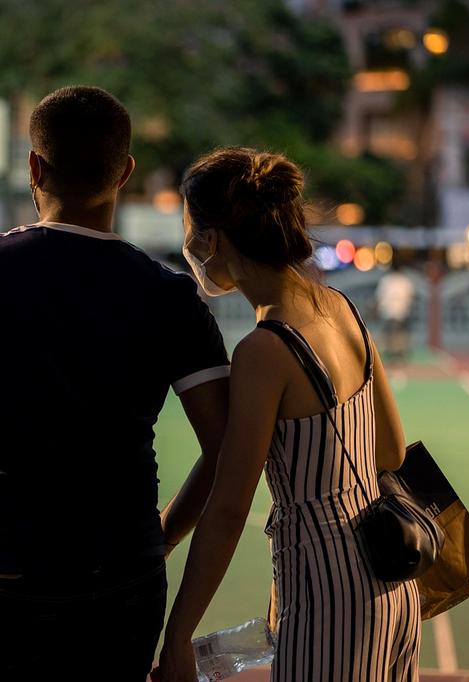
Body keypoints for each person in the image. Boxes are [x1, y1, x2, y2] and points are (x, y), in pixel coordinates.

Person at [0, 86, 231, 682]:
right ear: (125, 172)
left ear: (34, 168)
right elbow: (227, 444)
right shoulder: (171, 295)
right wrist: (161, 536)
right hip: (124, 586)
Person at [155, 147, 418, 682]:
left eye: (189, 230)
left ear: (215, 238)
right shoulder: (340, 307)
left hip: (330, 598)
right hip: (394, 584)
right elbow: (389, 451)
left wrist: (178, 634)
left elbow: (229, 510)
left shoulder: (264, 349)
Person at [375, 261, 416, 362]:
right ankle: (398, 353)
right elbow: (411, 296)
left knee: (390, 333)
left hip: (388, 311)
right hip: (401, 311)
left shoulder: (386, 280)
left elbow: (379, 296)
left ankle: (391, 352)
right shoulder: (405, 281)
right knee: (400, 333)